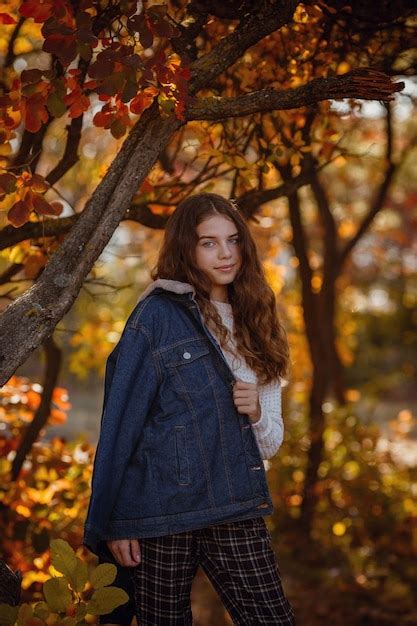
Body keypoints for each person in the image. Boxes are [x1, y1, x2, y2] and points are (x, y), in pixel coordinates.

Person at [83, 192, 296, 625]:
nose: (225, 254)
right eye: (209, 242)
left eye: (233, 240)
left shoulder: (259, 318)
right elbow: (123, 424)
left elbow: (270, 443)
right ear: (187, 247)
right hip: (159, 510)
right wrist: (116, 521)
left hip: (234, 501)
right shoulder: (157, 315)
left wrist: (256, 412)